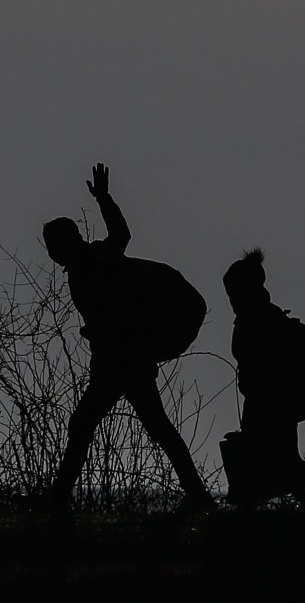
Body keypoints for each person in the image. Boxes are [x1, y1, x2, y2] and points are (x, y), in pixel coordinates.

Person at [43, 163, 213, 511]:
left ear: (69, 242)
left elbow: (121, 235)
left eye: (56, 244)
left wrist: (104, 199)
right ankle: (198, 495)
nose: (53, 252)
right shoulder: (81, 271)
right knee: (154, 428)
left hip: (125, 362)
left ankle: (57, 499)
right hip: (119, 361)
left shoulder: (98, 259)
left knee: (90, 425)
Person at [219, 249, 305, 509]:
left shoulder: (259, 321)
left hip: (270, 404)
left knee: (278, 462)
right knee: (279, 462)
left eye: (233, 292)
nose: (231, 299)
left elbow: (264, 370)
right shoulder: (265, 317)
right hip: (273, 403)